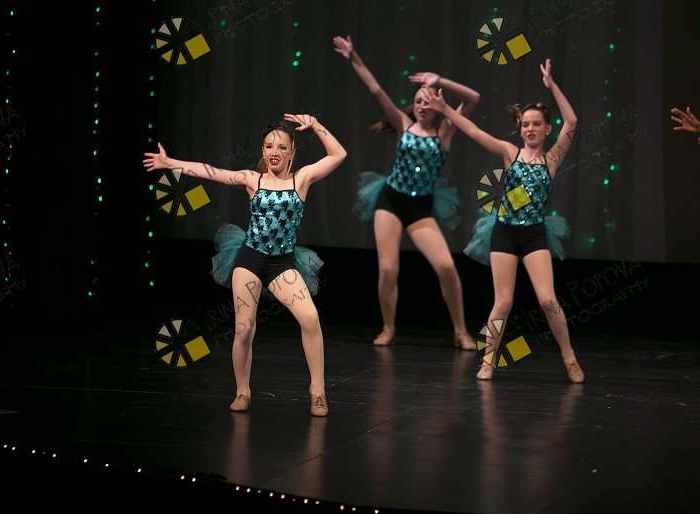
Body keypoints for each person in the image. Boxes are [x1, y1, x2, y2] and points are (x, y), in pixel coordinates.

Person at [142, 114, 347, 415]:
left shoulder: (301, 179)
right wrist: (170, 163)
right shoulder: (253, 179)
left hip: (282, 264)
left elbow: (338, 154)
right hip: (250, 259)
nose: (275, 151)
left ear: (292, 152)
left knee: (310, 318)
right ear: (262, 151)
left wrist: (315, 124)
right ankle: (242, 392)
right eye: (269, 146)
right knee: (243, 328)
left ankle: (317, 391)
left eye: (282, 147)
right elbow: (213, 172)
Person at [427, 58, 584, 383]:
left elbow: (571, 121)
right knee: (503, 301)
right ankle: (488, 361)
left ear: (546, 129)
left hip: (534, 234)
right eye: (525, 124)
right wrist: (445, 110)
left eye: (536, 124)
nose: (530, 129)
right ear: (520, 127)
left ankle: (569, 357)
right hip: (504, 233)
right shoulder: (509, 153)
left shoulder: (551, 159)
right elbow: (472, 130)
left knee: (547, 299)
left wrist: (552, 85)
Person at [333, 34, 479, 349]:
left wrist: (441, 82)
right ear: (413, 106)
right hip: (390, 200)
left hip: (420, 208)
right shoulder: (403, 124)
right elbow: (375, 89)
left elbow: (473, 98)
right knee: (388, 268)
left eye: (428, 101)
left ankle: (460, 331)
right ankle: (388, 327)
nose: (423, 106)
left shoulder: (445, 131)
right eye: (418, 101)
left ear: (438, 105)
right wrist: (354, 56)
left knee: (446, 267)